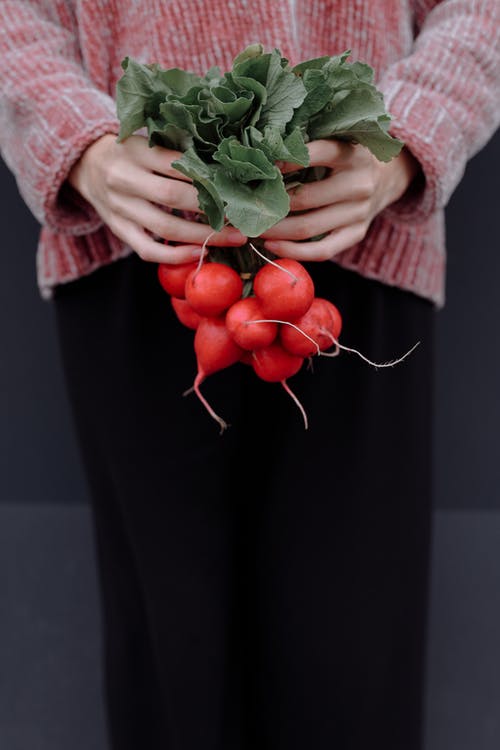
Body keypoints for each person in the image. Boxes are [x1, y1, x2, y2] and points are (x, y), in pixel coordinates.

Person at [0, 2, 499, 749]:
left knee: (352, 677)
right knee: (173, 675)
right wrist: (77, 142)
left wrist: (405, 142)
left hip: (353, 243)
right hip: (143, 245)